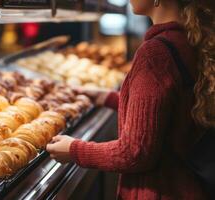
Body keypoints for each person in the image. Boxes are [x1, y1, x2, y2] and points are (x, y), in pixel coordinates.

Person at [46, 0, 214, 199]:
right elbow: (166, 111)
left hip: (159, 190)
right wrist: (104, 97)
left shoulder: (155, 53)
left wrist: (74, 150)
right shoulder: (188, 39)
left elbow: (135, 152)